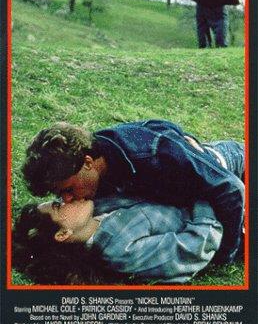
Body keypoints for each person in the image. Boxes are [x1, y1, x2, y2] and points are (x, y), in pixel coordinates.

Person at [22, 119, 245, 264]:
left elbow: (231, 189)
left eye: (68, 190)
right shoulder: (91, 154)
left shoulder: (154, 156)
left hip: (233, 165)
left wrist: (225, 257)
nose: (67, 199)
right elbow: (155, 124)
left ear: (88, 163)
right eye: (61, 195)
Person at [12, 196, 224, 285]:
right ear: (63, 234)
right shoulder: (119, 251)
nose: (66, 198)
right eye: (58, 206)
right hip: (225, 212)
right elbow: (199, 245)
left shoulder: (99, 206)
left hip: (207, 181)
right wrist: (203, 194)